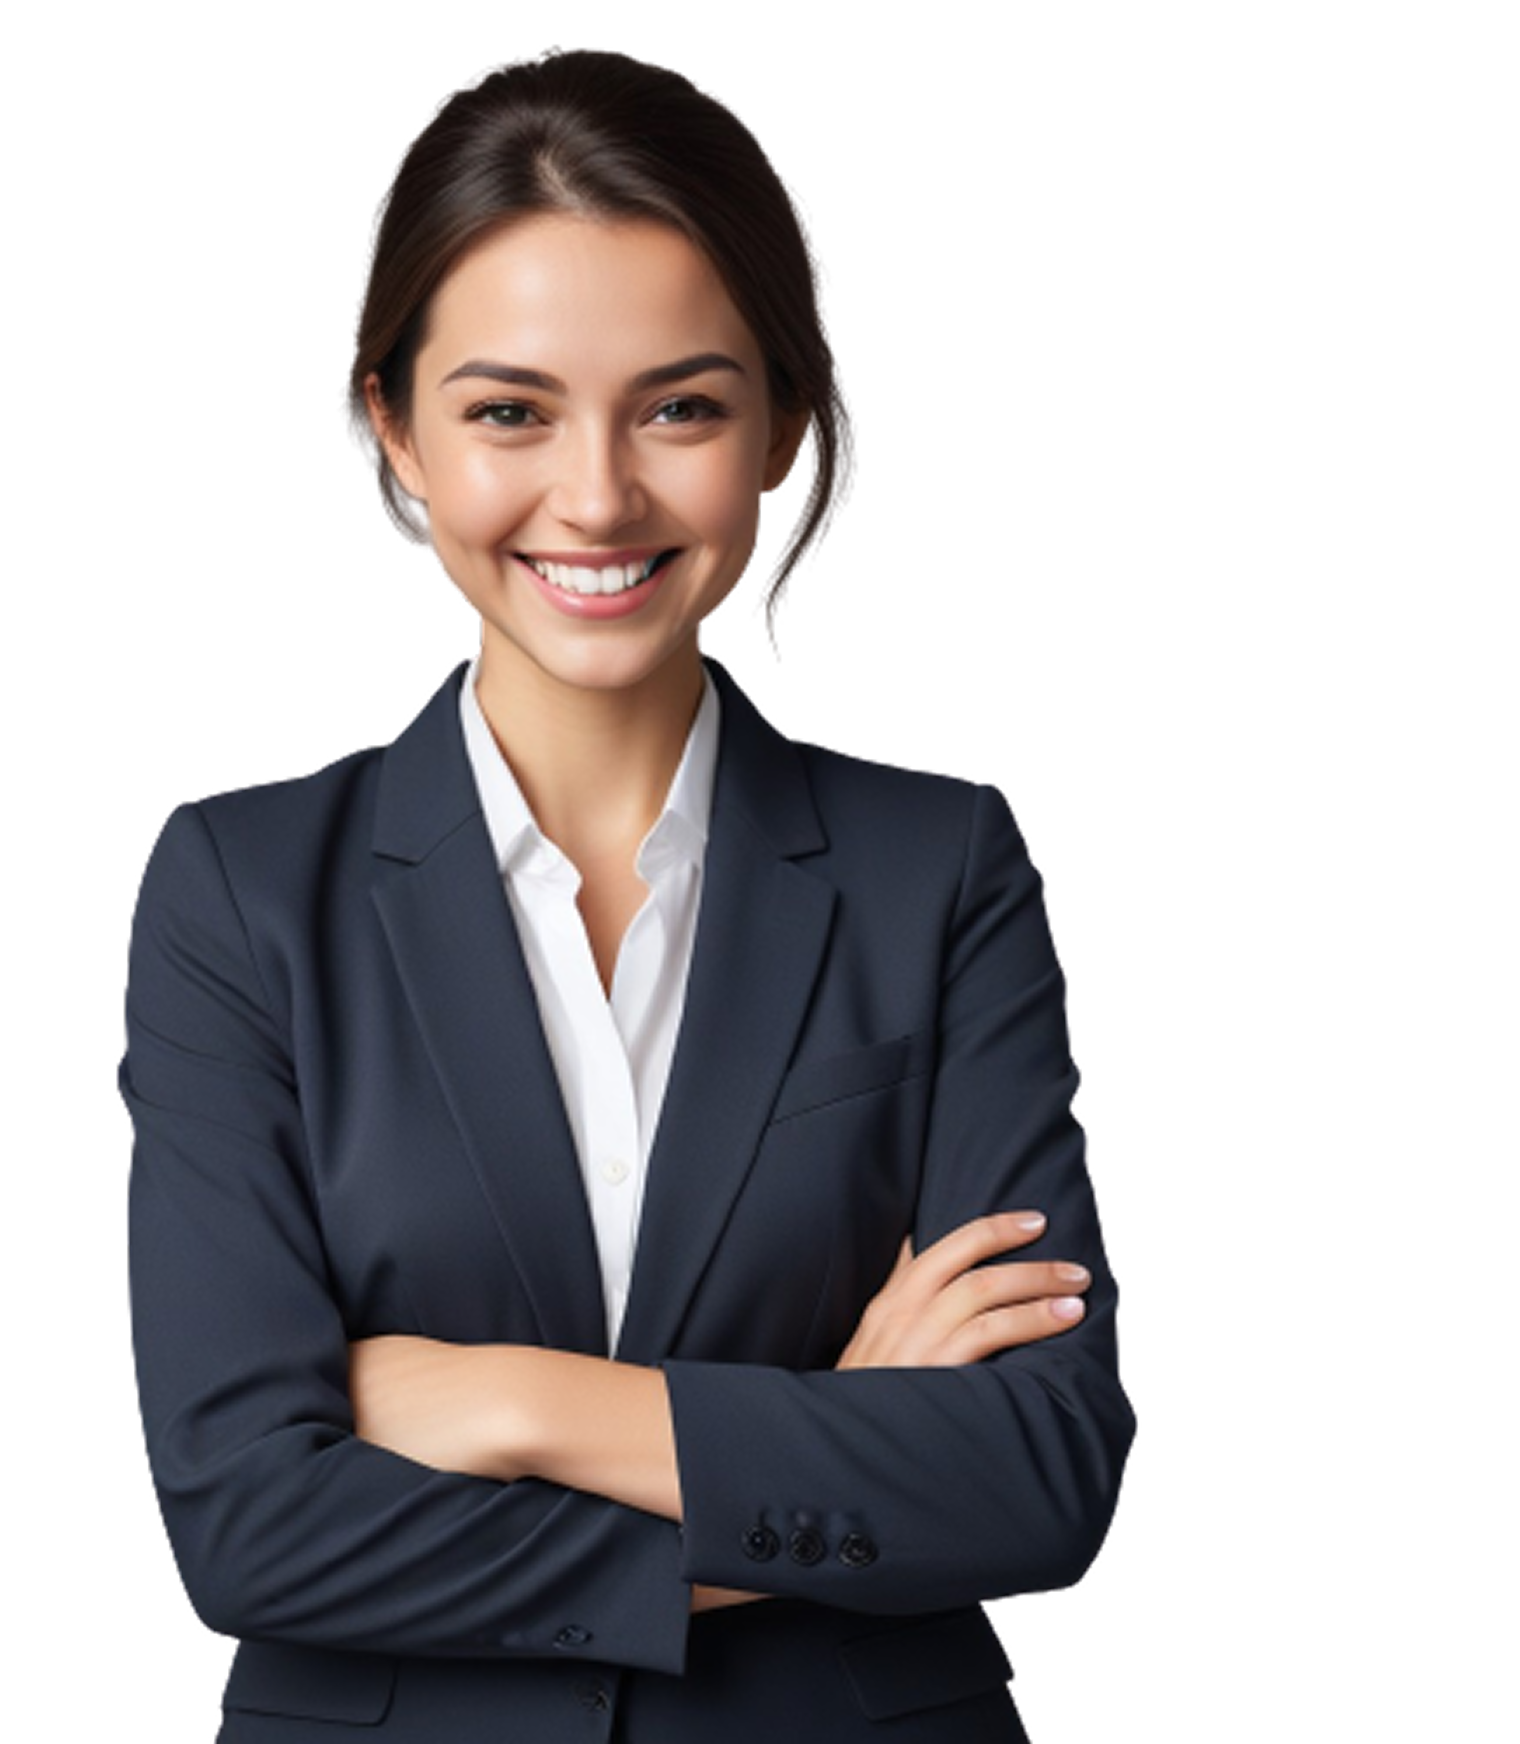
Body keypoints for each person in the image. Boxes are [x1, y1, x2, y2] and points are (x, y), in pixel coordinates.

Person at [123, 47, 1132, 1743]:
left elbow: (1040, 1473)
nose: (596, 497)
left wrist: (506, 1403)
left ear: (782, 431)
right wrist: (827, 1448)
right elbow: (247, 1528)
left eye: (682, 406)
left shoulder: (937, 867)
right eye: (509, 409)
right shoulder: (236, 891)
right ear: (395, 431)